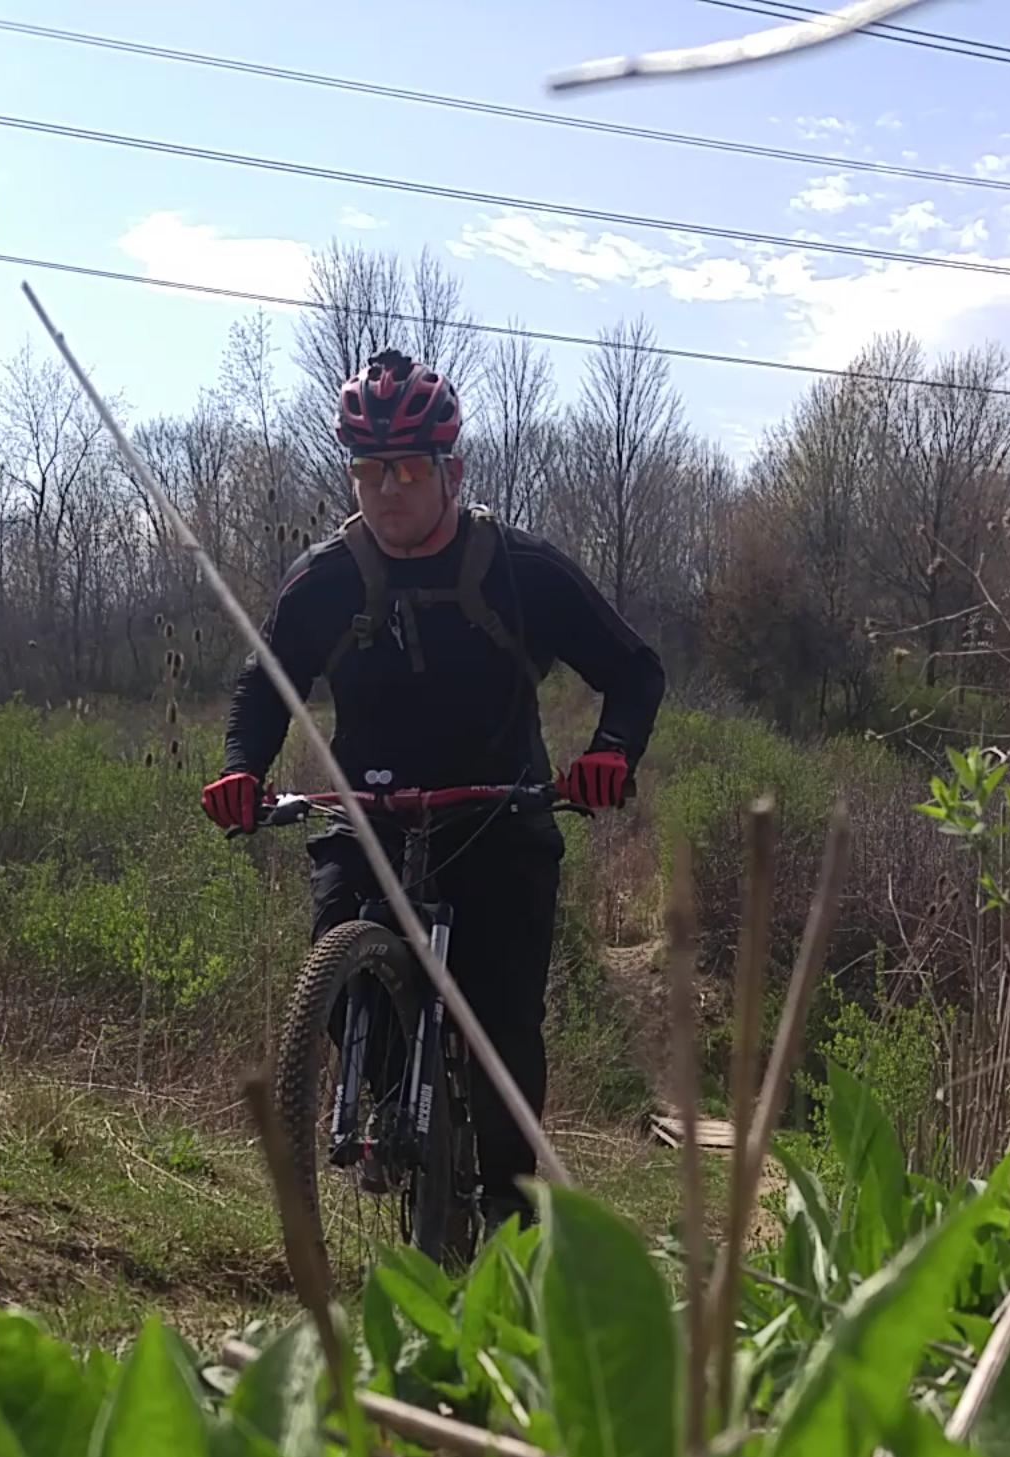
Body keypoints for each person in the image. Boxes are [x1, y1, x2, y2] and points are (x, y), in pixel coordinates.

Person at [202, 348, 666, 1228]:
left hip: (500, 814)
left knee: (501, 1024)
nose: (386, 491)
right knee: (338, 966)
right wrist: (240, 770)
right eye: (369, 471)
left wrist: (611, 753)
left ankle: (506, 1207)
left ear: (451, 470)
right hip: (368, 812)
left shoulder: (521, 570)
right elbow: (266, 684)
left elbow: (636, 670)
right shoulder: (325, 580)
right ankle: (388, 1106)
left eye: (408, 469)